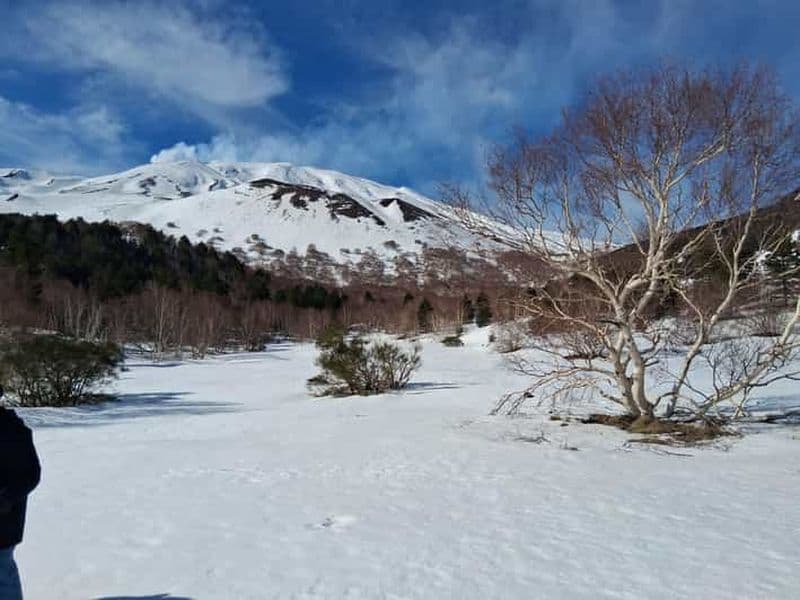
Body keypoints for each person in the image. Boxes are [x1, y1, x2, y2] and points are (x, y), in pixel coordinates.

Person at [0, 385, 40, 600]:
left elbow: (30, 474)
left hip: (3, 521)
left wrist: (6, 499)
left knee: (2, 574)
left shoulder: (12, 430)